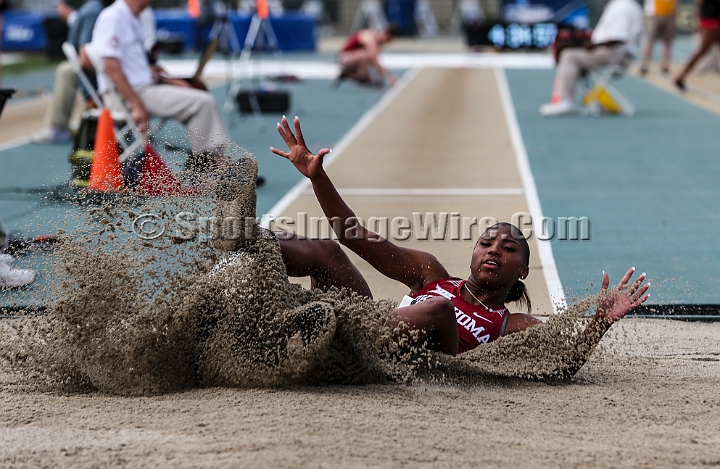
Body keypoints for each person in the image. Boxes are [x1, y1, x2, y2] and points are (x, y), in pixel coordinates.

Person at [212, 116, 650, 358]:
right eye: (487, 243)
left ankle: (321, 330)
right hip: (361, 329)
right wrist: (317, 178)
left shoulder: (510, 325)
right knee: (327, 250)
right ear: (474, 254)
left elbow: (559, 363)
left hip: (390, 360)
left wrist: (598, 325)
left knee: (439, 310)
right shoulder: (429, 273)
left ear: (523, 271)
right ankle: (240, 246)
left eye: (508, 247)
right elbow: (354, 236)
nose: (494, 249)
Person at [91, 0, 229, 172]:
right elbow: (111, 67)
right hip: (129, 94)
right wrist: (137, 105)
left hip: (139, 88)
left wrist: (165, 79)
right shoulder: (114, 17)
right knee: (202, 102)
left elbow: (128, 67)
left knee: (196, 91)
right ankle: (214, 168)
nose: (144, 2)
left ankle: (210, 166)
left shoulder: (130, 17)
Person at [539, 0, 644, 116]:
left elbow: (618, 38)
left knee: (569, 56)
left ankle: (565, 100)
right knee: (572, 53)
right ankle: (580, 97)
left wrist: (589, 46)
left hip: (614, 55)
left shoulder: (623, 6)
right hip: (614, 53)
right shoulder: (625, 4)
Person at [31, 0, 114, 145]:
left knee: (66, 70)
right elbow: (86, 57)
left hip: (100, 72)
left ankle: (62, 126)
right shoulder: (94, 11)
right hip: (100, 75)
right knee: (66, 70)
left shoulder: (96, 9)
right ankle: (61, 126)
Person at [673, 0, 720, 90]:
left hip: (711, 19)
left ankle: (680, 77)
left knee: (702, 50)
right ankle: (680, 77)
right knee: (701, 50)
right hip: (712, 21)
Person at [334, 24, 400, 88]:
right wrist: (388, 76)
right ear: (387, 36)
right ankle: (360, 75)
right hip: (344, 58)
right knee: (368, 55)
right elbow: (374, 59)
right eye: (388, 40)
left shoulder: (376, 40)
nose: (387, 43)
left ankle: (350, 74)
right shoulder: (370, 38)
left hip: (353, 58)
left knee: (370, 59)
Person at [640, 0, 677, 75]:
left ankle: (665, 65)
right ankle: (645, 64)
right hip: (655, 15)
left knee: (668, 42)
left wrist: (675, 10)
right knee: (650, 41)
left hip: (669, 15)